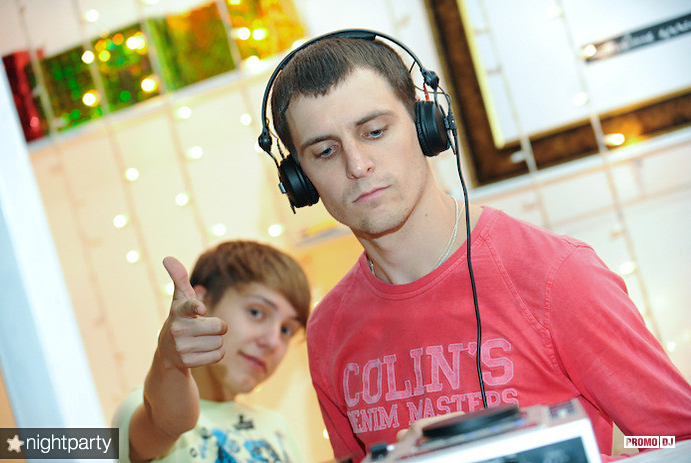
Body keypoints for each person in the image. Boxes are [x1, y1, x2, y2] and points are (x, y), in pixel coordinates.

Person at [265, 32, 691, 462]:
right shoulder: (327, 331)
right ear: (300, 181)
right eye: (325, 151)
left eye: (375, 131)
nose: (357, 165)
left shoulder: (557, 275)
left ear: (426, 125)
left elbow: (675, 440)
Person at [112, 240, 311, 462]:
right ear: (202, 301)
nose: (273, 342)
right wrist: (170, 362)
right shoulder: (137, 406)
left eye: (286, 330)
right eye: (256, 312)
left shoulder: (276, 427)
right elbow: (164, 422)